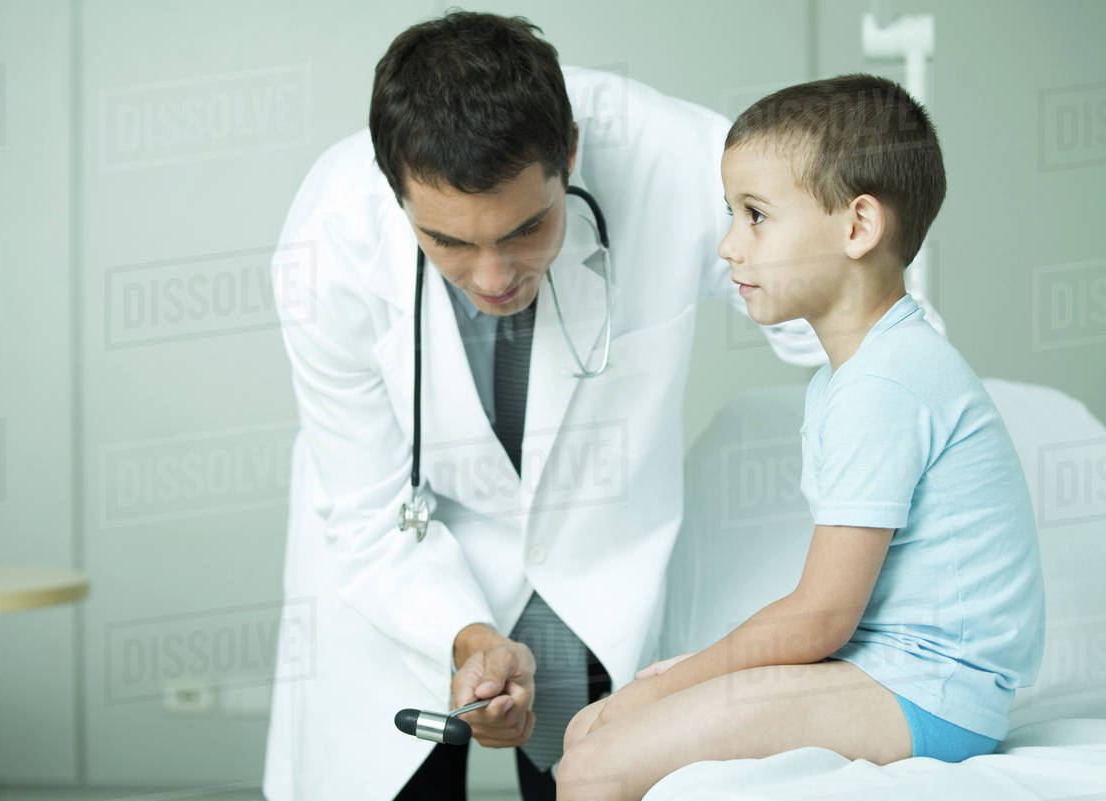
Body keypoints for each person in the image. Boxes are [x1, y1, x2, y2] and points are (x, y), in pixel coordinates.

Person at [261, 14, 938, 800]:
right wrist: (470, 635)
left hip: (586, 577)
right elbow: (365, 513)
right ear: (395, 194)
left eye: (527, 229)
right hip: (394, 576)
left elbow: (859, 322)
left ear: (570, 153)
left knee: (583, 779)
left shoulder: (676, 158)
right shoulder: (327, 239)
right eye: (447, 242)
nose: (491, 278)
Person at [557, 74, 1046, 801]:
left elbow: (820, 616)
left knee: (597, 760)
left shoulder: (885, 384)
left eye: (755, 215)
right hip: (892, 674)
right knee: (586, 735)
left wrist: (668, 682)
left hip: (925, 691)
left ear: (857, 227)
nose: (727, 245)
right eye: (729, 214)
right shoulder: (856, 376)